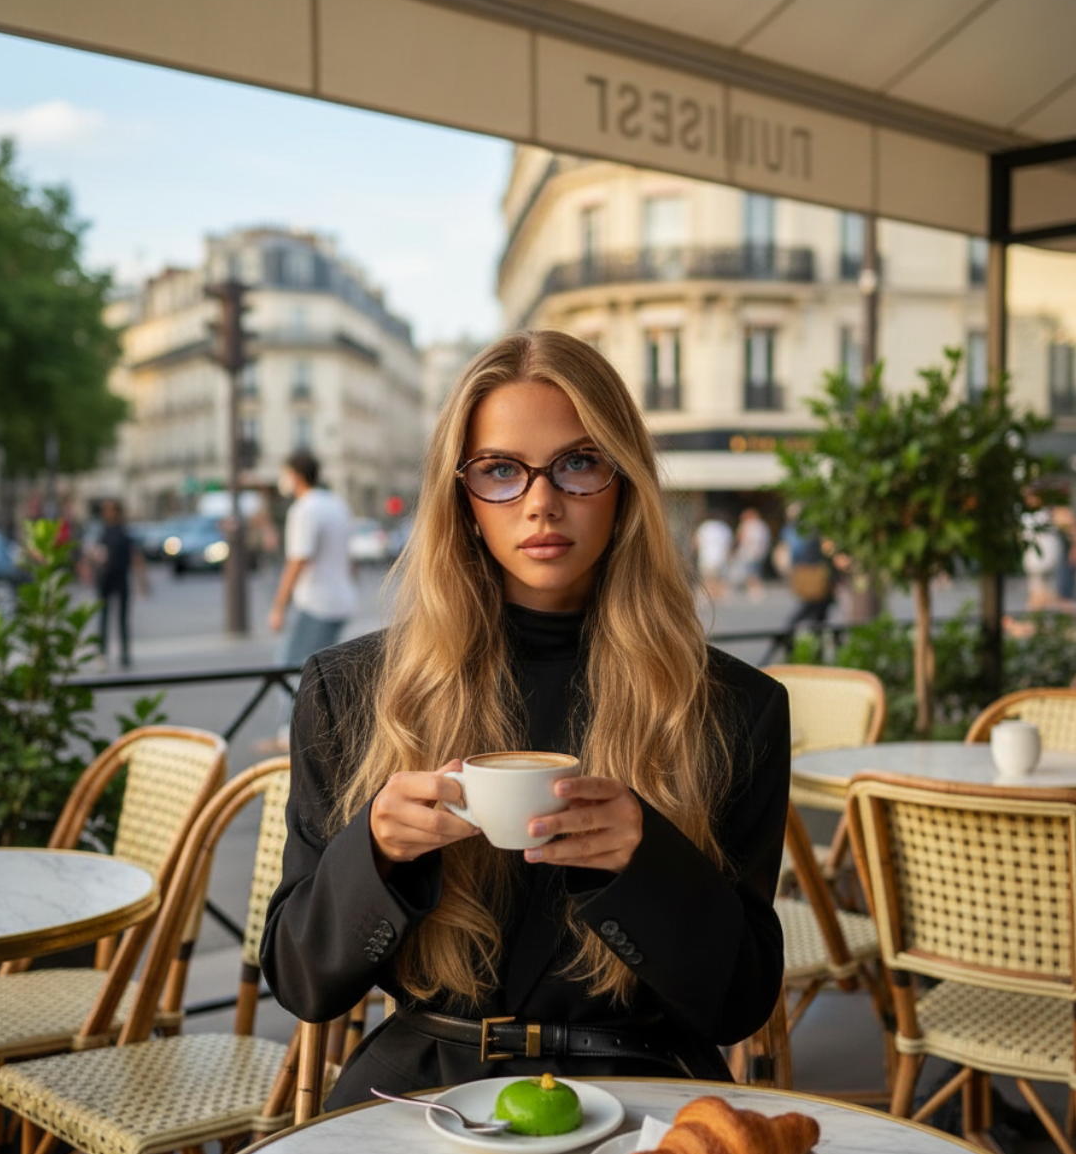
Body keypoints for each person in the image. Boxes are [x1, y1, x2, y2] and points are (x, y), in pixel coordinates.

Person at [261, 331, 789, 1109]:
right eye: (501, 470)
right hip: (423, 1087)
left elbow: (739, 1003)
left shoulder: (731, 706)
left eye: (578, 462)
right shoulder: (356, 692)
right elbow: (304, 982)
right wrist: (374, 850)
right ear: (462, 498)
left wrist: (648, 864)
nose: (541, 501)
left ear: (625, 483)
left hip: (646, 1092)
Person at [261, 450, 355, 750]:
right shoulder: (335, 503)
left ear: (296, 476)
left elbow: (297, 560)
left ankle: (288, 736)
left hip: (316, 602)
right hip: (341, 599)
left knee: (290, 666)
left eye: (285, 473)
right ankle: (322, 733)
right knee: (321, 668)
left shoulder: (304, 510)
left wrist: (278, 607)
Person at [90, 498, 148, 669]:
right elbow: (93, 552)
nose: (108, 513)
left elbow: (135, 555)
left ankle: (124, 654)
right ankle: (102, 653)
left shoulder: (124, 532)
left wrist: (142, 580)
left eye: (111, 510)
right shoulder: (101, 531)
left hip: (121, 578)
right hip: (105, 579)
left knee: (122, 618)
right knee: (104, 617)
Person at [693, 514, 733, 599]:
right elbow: (729, 544)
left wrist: (695, 554)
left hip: (706, 555)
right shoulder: (724, 527)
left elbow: (696, 542)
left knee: (707, 578)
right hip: (720, 556)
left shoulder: (704, 526)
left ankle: (709, 595)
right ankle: (718, 595)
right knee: (718, 578)